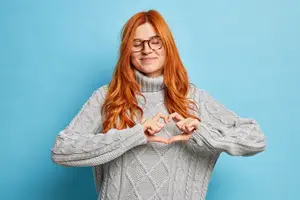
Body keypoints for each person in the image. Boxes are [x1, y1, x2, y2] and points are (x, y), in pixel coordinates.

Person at [51, 9, 267, 200]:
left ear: (168, 46)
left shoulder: (194, 98)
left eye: (156, 41)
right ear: (127, 50)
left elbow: (255, 138)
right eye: (137, 43)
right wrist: (135, 135)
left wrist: (201, 132)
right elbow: (61, 150)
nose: (147, 50)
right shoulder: (107, 98)